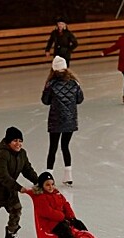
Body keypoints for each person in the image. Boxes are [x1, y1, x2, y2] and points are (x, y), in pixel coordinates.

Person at [29, 172, 99, 238]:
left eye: (52, 184)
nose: (51, 187)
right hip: (50, 223)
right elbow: (47, 212)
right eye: (47, 185)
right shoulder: (41, 197)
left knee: (78, 224)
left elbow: (65, 204)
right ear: (42, 186)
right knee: (64, 229)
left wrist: (71, 216)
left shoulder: (57, 194)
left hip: (61, 220)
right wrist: (62, 216)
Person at [41, 56, 84, 187]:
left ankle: (48, 177)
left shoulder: (51, 84)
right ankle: (68, 176)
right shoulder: (74, 83)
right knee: (65, 146)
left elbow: (45, 101)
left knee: (52, 148)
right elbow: (80, 99)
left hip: (55, 120)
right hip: (70, 120)